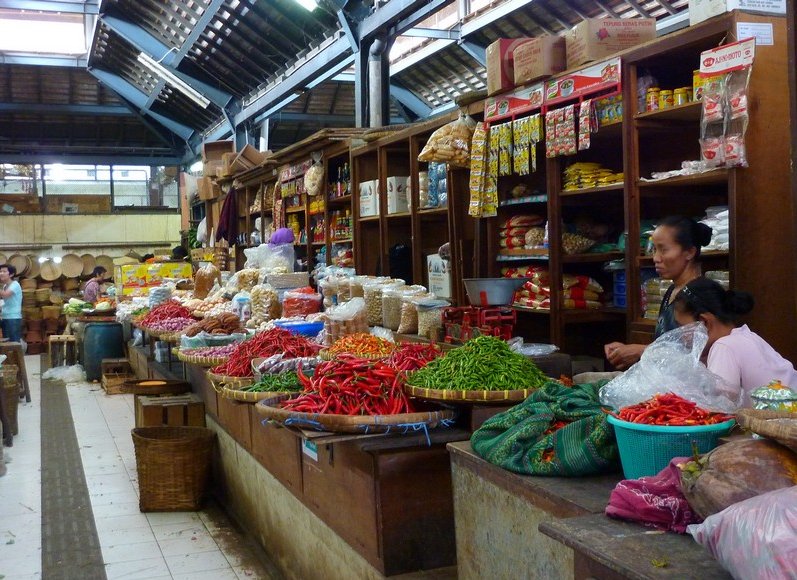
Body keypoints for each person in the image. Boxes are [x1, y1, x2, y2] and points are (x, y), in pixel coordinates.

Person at [604, 216, 712, 370]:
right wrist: (629, 350)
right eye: (654, 249)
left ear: (689, 252)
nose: (655, 258)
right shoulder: (671, 291)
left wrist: (640, 351)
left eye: (664, 250)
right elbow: (670, 345)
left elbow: (696, 355)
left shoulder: (699, 295)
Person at [672, 278, 797, 407]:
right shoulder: (746, 336)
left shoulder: (724, 347)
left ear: (704, 323)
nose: (680, 336)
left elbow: (719, 407)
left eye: (682, 328)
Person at [0, 264, 22, 343]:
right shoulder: (5, 286)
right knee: (7, 342)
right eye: (0, 271)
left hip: (13, 317)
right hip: (5, 316)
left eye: (4, 271)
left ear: (11, 274)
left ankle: (17, 356)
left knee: (14, 342)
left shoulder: (15, 284)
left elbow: (5, 294)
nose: (1, 273)